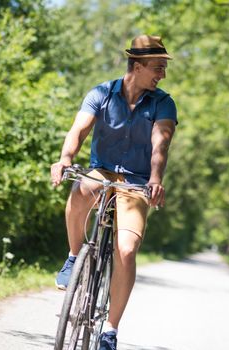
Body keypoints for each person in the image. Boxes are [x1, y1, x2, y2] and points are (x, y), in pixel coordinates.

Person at [50, 35, 177, 350]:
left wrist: (156, 178)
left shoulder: (163, 103)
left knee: (126, 250)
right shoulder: (101, 93)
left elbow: (160, 143)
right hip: (103, 169)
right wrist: (65, 159)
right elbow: (78, 129)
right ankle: (73, 256)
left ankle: (110, 330)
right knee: (83, 188)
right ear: (137, 65)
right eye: (157, 68)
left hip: (136, 180)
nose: (162, 75)